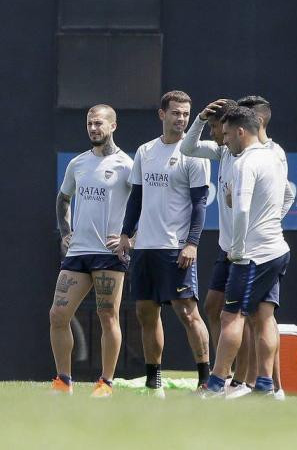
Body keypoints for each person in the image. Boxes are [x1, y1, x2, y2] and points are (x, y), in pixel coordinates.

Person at [108, 90, 211, 396]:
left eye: (185, 114)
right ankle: (155, 381)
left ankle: (206, 379)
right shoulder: (145, 151)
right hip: (145, 249)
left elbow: (200, 204)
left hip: (175, 248)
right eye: (176, 113)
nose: (181, 119)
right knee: (145, 313)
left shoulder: (193, 154)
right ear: (162, 114)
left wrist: (192, 243)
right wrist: (127, 233)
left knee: (188, 313)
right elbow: (137, 196)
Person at [202, 106, 291, 398]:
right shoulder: (275, 156)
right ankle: (266, 386)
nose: (224, 140)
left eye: (226, 134)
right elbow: (287, 195)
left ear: (241, 132)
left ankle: (215, 385)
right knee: (264, 317)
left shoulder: (243, 163)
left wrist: (238, 250)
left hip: (252, 255)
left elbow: (239, 209)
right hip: (276, 249)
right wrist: (270, 224)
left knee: (232, 317)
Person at [49, 104, 131, 398]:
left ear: (113, 126)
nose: (93, 129)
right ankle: (63, 381)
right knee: (58, 314)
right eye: (89, 124)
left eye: (98, 123)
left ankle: (105, 383)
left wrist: (128, 237)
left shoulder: (126, 165)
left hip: (108, 254)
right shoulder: (78, 164)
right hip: (78, 253)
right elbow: (63, 199)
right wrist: (65, 233)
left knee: (107, 316)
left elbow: (144, 205)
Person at [179, 98, 244, 387]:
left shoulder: (250, 157)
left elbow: (284, 198)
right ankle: (227, 372)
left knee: (245, 317)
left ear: (231, 126)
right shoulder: (223, 152)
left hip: (245, 250)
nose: (214, 134)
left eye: (216, 127)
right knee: (212, 305)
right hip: (226, 248)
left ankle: (245, 378)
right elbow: (187, 147)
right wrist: (201, 119)